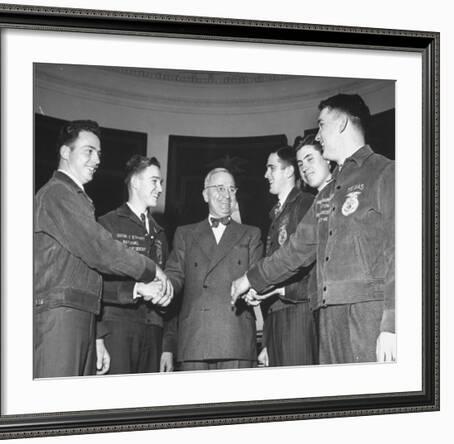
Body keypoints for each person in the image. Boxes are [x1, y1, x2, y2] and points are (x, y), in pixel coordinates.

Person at [232, 94, 395, 364]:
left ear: (342, 123)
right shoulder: (327, 192)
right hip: (327, 318)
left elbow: (400, 252)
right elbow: (295, 251)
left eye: (321, 125)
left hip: (368, 317)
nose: (318, 136)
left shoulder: (385, 172)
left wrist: (392, 323)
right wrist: (249, 279)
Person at [34, 120, 172, 378]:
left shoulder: (77, 197)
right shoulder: (58, 193)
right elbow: (100, 250)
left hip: (80, 312)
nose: (97, 159)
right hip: (62, 313)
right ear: (65, 152)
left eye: (99, 153)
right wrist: (151, 270)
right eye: (89, 151)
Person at [165, 168, 263, 371]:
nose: (226, 195)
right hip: (195, 339)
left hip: (236, 338)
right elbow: (175, 276)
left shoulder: (251, 234)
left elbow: (257, 277)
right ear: (205, 194)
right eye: (219, 188)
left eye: (231, 189)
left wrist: (254, 291)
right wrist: (162, 287)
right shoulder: (185, 234)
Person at [97, 155, 175, 374]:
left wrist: (168, 346)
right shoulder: (107, 224)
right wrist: (98, 336)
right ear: (135, 182)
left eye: (161, 183)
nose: (160, 188)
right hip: (118, 329)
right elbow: (94, 284)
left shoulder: (160, 234)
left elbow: (170, 293)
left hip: (153, 332)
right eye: (154, 181)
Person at [254, 145, 316, 367]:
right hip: (276, 314)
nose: (266, 175)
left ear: (289, 171)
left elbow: (311, 264)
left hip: (298, 312)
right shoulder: (276, 213)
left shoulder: (306, 203)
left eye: (271, 168)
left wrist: (283, 289)